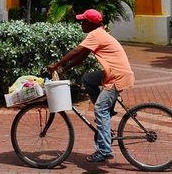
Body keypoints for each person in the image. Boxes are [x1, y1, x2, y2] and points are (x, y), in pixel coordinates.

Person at [47, 9, 134, 164]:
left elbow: (76, 51)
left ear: (90, 23)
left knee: (100, 109)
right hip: (114, 73)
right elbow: (81, 56)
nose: (81, 24)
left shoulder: (95, 35)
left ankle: (104, 150)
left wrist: (56, 64)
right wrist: (63, 69)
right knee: (88, 79)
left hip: (116, 76)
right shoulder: (99, 33)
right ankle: (107, 111)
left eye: (83, 21)